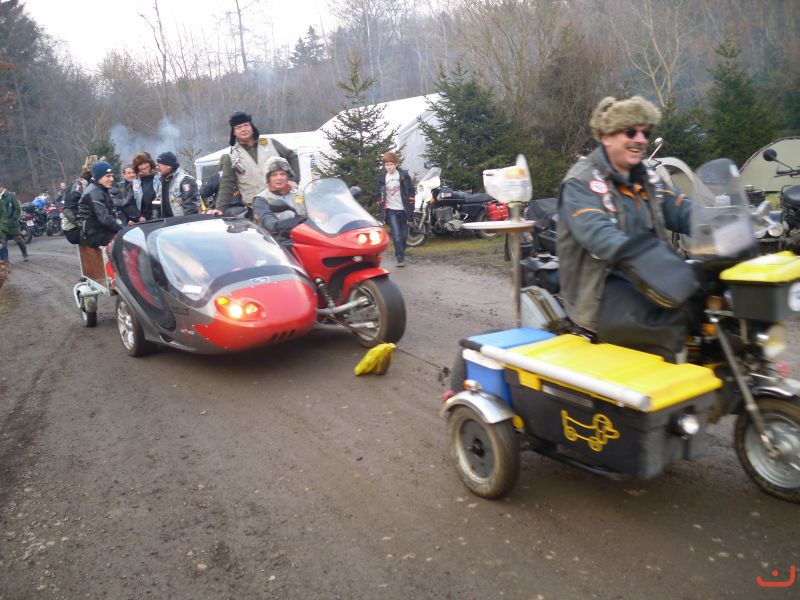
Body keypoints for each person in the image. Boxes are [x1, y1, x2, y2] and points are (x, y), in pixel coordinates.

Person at [557, 95, 695, 361]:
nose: (640, 140)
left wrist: (724, 222)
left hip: (650, 276)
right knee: (663, 328)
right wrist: (646, 257)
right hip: (601, 287)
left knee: (706, 305)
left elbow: (682, 209)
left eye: (646, 133)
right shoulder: (581, 181)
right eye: (631, 131)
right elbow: (598, 233)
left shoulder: (648, 178)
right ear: (606, 137)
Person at [216, 111, 300, 215]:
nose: (243, 129)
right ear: (234, 132)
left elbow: (292, 157)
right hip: (257, 211)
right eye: (238, 127)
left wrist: (294, 180)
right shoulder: (231, 157)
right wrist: (220, 209)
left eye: (246, 125)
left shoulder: (270, 143)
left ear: (251, 127)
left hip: (285, 205)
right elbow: (227, 183)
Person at [375, 152, 414, 267]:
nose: (389, 167)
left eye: (391, 164)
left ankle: (401, 249)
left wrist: (411, 203)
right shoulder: (382, 178)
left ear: (396, 164)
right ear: (384, 166)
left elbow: (411, 190)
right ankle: (400, 257)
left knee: (404, 235)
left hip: (404, 209)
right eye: (387, 165)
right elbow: (378, 193)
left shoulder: (403, 175)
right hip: (391, 210)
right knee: (396, 234)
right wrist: (380, 205)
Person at [251, 157, 306, 238]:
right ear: (268, 178)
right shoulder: (261, 199)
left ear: (288, 176)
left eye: (283, 174)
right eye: (274, 175)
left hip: (304, 235)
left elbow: (315, 213)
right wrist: (290, 223)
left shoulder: (299, 194)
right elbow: (268, 222)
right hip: (277, 240)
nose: (279, 178)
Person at [77, 161, 123, 248]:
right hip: (93, 234)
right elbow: (104, 218)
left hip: (102, 230)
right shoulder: (94, 192)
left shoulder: (101, 189)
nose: (111, 179)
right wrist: (123, 229)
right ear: (98, 177)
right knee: (125, 242)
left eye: (112, 176)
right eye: (108, 176)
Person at [152, 151, 202, 217]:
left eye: (159, 165)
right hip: (167, 221)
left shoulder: (186, 180)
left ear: (168, 166)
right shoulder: (161, 181)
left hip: (181, 222)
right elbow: (158, 205)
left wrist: (185, 222)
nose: (157, 167)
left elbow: (191, 208)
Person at [63, 155, 96, 244]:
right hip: (74, 229)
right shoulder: (80, 184)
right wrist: (83, 224)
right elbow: (68, 210)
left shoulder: (95, 185)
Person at [1, 182, 29, 264]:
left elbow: (17, 208)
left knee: (19, 240)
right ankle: (5, 260)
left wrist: (13, 218)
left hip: (12, 223)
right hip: (2, 224)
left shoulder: (10, 195)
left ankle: (24, 253)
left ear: (1, 187)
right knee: (2, 243)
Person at [131, 151, 158, 220]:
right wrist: (138, 216)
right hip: (143, 220)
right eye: (140, 164)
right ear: (137, 167)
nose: (144, 166)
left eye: (145, 163)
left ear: (150, 163)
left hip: (161, 217)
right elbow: (131, 204)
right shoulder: (134, 183)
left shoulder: (160, 178)